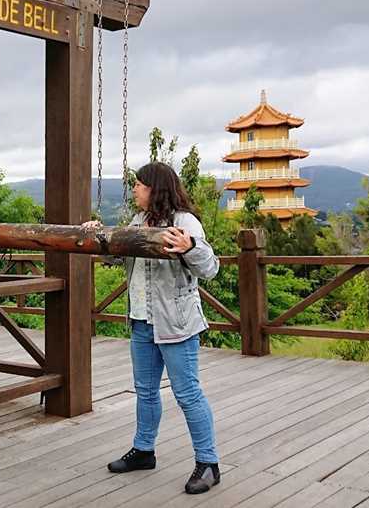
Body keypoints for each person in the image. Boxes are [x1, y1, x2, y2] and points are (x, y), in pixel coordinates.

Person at [81, 162, 221, 494]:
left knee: (187, 394)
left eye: (139, 185)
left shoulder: (185, 222)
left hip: (177, 324)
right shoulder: (137, 222)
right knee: (144, 392)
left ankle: (209, 463)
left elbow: (210, 268)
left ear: (155, 189)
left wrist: (190, 248)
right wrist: (98, 236)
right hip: (142, 322)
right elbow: (118, 258)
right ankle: (144, 451)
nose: (134, 190)